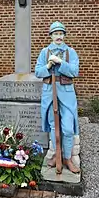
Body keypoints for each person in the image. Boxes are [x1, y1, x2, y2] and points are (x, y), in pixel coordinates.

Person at [35, 21, 80, 173]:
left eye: (61, 34)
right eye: (55, 34)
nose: (58, 37)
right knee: (54, 127)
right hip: (50, 92)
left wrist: (60, 62)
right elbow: (38, 72)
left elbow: (74, 72)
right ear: (51, 36)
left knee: (67, 128)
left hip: (66, 93)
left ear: (64, 35)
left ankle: (67, 158)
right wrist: (48, 66)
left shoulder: (70, 52)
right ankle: (57, 155)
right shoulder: (45, 52)